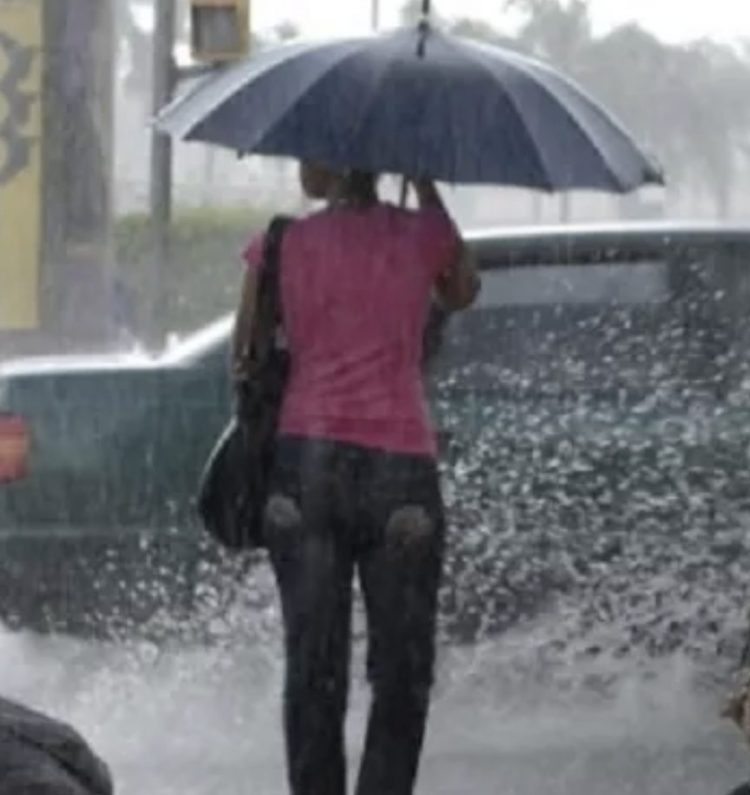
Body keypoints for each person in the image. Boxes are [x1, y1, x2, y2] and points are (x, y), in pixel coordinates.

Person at [233, 161, 479, 795]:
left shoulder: (283, 243)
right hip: (400, 469)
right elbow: (463, 290)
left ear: (325, 162)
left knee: (314, 665)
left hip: (305, 467)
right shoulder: (422, 234)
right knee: (402, 670)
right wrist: (424, 184)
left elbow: (245, 353)